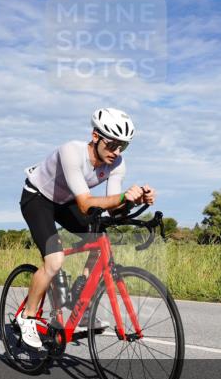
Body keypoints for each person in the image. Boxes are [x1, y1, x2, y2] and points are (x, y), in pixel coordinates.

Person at [17, 108, 156, 348]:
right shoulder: (71, 152)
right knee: (54, 261)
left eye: (123, 146)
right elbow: (85, 204)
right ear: (95, 136)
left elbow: (114, 209)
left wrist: (134, 200)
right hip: (38, 198)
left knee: (101, 239)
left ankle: (79, 298)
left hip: (65, 201)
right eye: (112, 144)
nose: (117, 151)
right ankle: (27, 317)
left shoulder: (117, 164)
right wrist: (124, 196)